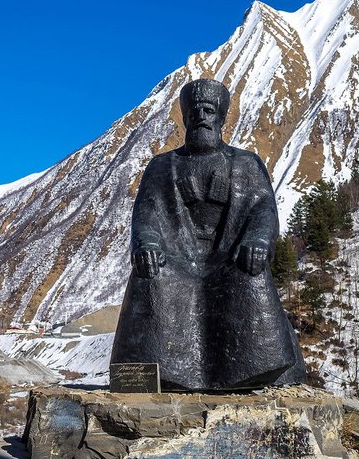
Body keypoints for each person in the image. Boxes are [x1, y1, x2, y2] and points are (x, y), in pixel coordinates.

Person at [110, 78, 305, 390]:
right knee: (151, 273)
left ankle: (257, 370)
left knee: (249, 273)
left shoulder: (246, 163)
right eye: (195, 111)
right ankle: (163, 374)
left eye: (209, 110)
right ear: (185, 118)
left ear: (221, 118)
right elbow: (146, 212)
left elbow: (262, 209)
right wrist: (146, 241)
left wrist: (257, 239)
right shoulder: (162, 166)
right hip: (177, 259)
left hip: (229, 256)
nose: (201, 115)